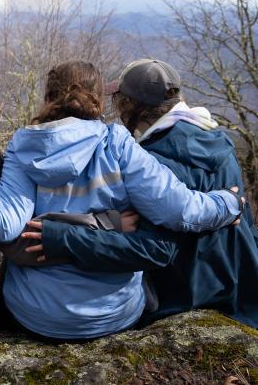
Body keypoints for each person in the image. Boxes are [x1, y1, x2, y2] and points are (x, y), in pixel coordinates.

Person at [0, 61, 244, 340]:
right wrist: (229, 205)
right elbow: (180, 211)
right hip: (113, 316)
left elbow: (1, 224)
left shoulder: (25, 146)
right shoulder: (118, 143)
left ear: (49, 97)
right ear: (97, 98)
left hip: (36, 316)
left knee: (15, 248)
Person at [22, 59, 258, 328]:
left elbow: (154, 248)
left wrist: (65, 238)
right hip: (241, 288)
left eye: (120, 100)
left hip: (189, 295)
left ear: (131, 106)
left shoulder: (153, 161)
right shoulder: (221, 140)